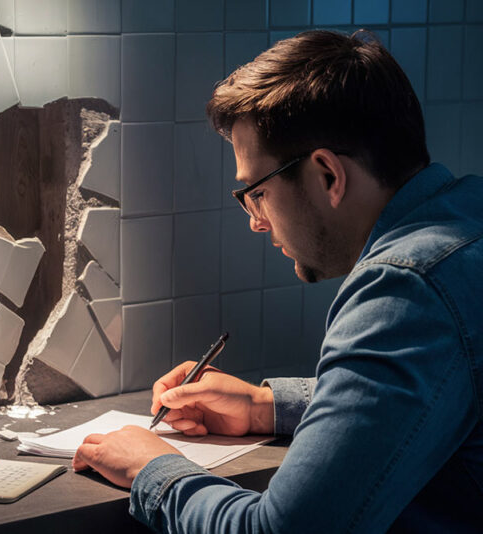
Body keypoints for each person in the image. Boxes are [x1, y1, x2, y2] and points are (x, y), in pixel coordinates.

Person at [72, 29, 483, 533]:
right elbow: (435, 387)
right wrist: (265, 406)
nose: (255, 221)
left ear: (328, 175)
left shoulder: (406, 290)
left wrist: (151, 468)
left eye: (257, 193)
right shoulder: (468, 221)